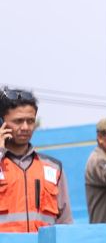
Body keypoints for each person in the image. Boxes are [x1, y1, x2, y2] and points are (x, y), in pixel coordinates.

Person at [0, 88, 73, 232]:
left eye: (30, 121)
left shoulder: (54, 168)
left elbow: (65, 223)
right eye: (18, 121)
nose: (25, 127)